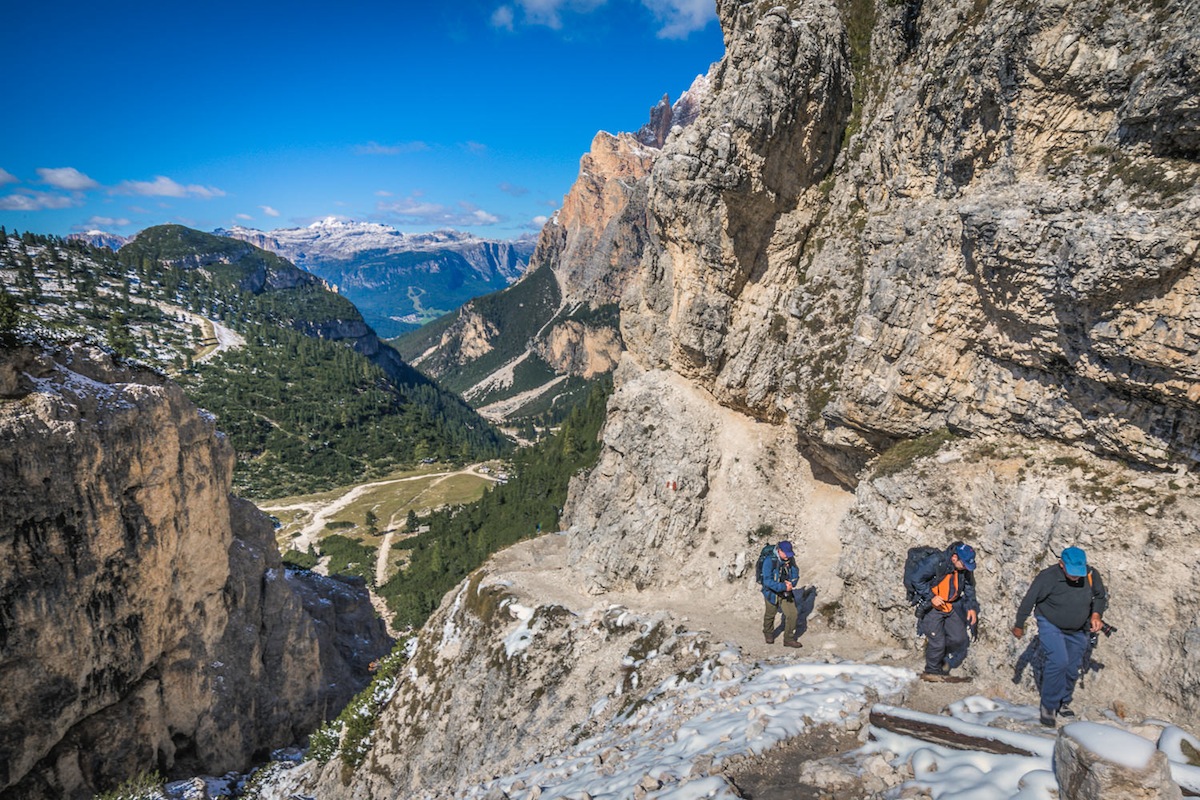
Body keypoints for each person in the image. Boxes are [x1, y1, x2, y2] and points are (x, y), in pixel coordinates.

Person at [1012, 546, 1108, 727]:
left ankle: (1063, 701)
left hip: (1078, 629)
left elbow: (1100, 597)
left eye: (1078, 571)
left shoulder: (1090, 574)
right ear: (1061, 564)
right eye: (1072, 572)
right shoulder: (1047, 577)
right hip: (1050, 623)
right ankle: (1048, 706)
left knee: (1072, 668)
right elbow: (1029, 600)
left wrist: (1096, 615)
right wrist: (1019, 625)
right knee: (1058, 661)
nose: (1076, 576)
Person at [910, 542, 979, 682]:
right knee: (937, 642)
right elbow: (916, 579)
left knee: (959, 638)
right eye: (964, 564)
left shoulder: (963, 569)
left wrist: (971, 607)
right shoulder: (936, 562)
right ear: (954, 558)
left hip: (951, 605)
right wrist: (931, 597)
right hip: (933, 607)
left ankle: (938, 656)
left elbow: (969, 586)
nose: (966, 568)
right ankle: (931, 672)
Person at [760, 540, 801, 648]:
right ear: (779, 550)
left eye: (789, 554)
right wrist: (783, 586)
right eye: (786, 554)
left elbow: (795, 573)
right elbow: (767, 581)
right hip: (771, 592)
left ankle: (789, 639)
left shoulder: (790, 560)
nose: (788, 556)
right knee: (770, 614)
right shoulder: (769, 561)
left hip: (786, 591)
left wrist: (791, 583)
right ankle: (768, 632)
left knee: (792, 614)